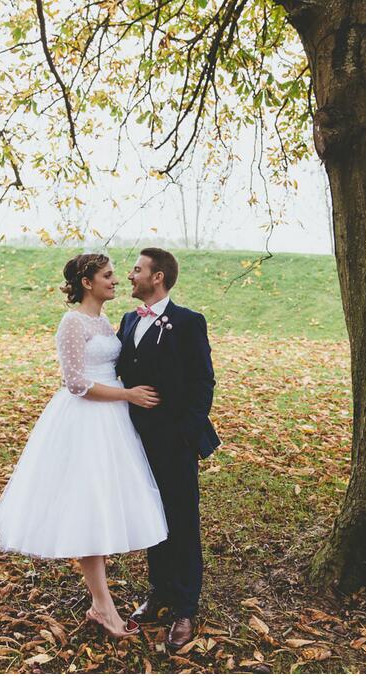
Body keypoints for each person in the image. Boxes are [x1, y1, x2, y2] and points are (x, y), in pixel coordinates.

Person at [0, 253, 168, 639]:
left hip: (112, 424)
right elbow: (75, 383)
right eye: (107, 276)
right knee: (88, 506)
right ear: (87, 283)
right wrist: (129, 396)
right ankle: (103, 605)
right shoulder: (72, 322)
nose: (115, 281)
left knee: (101, 506)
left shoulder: (105, 322)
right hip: (85, 421)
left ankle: (99, 602)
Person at [117, 248, 219, 650]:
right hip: (135, 441)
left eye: (137, 269)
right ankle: (159, 592)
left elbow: (203, 382)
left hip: (175, 441)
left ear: (157, 277)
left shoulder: (188, 322)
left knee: (181, 519)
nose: (130, 275)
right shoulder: (127, 320)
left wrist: (186, 434)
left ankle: (185, 607)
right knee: (150, 516)